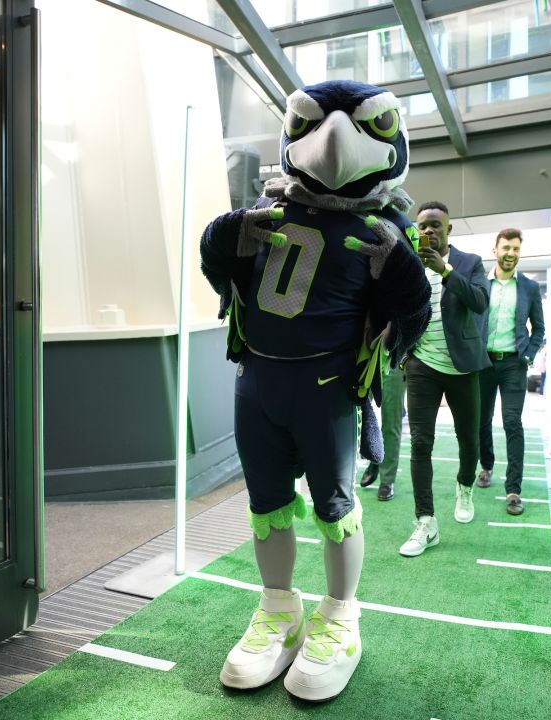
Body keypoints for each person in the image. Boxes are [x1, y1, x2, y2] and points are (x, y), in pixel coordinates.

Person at [200, 80, 431, 701]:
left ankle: (340, 613)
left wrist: (401, 269)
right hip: (258, 380)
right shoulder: (266, 212)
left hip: (327, 388)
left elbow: (411, 313)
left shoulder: (384, 230)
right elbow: (215, 262)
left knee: (334, 504)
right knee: (266, 502)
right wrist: (228, 234)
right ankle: (279, 606)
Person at [398, 200, 490, 557]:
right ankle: (425, 522)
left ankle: (464, 485)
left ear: (449, 229)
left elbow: (481, 301)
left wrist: (447, 271)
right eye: (423, 226)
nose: (429, 231)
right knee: (420, 442)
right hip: (422, 365)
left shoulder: (470, 262)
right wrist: (405, 354)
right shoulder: (408, 264)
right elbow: (398, 308)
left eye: (436, 225)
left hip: (463, 367)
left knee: (470, 441)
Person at [474, 228, 545, 516]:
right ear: (495, 250)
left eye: (515, 249)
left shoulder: (529, 287)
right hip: (483, 363)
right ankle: (487, 465)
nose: (510, 253)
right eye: (506, 248)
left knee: (512, 422)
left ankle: (513, 489)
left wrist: (528, 355)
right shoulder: (480, 283)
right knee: (481, 420)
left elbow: (539, 328)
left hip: (514, 363)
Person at [357, 359, 404, 501]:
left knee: (391, 423)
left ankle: (387, 480)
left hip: (396, 360)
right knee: (355, 413)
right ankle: (376, 457)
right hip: (367, 356)